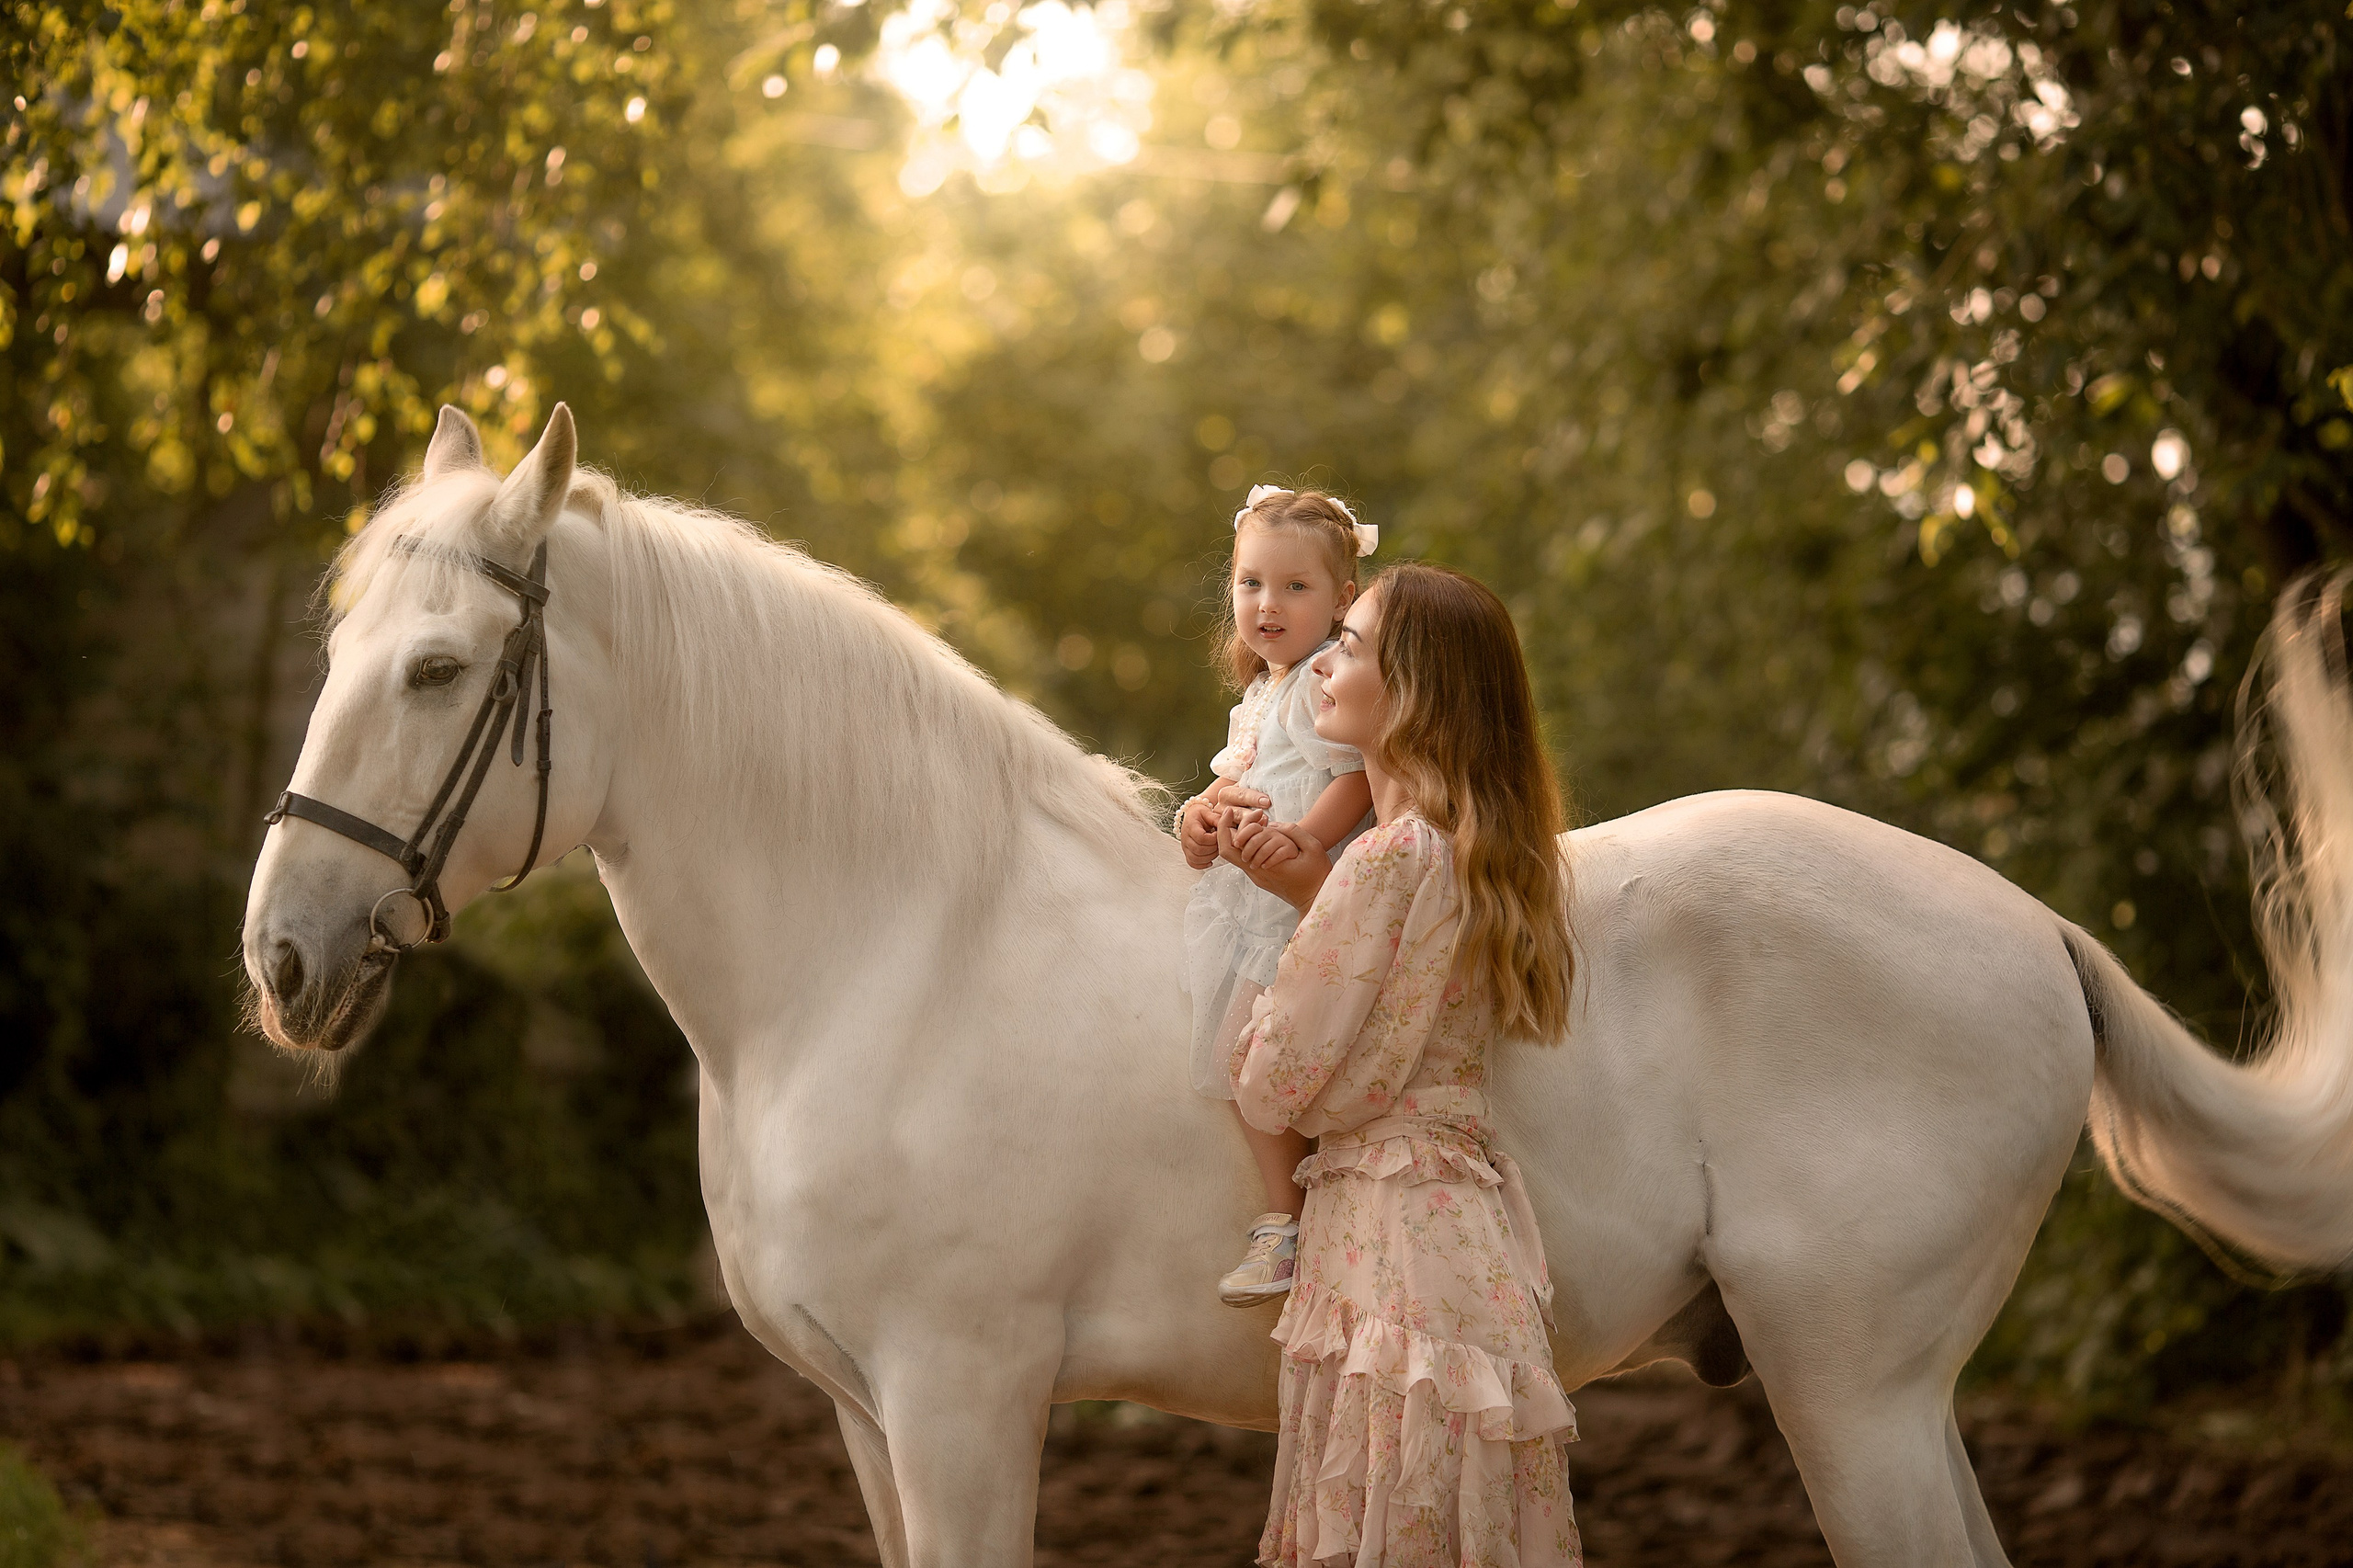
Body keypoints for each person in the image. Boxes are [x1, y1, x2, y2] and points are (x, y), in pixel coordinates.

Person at [1221, 562, 1583, 1567]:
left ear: (1412, 689)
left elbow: (1274, 1081)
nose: (1323, 659)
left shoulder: (1382, 859)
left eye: (1353, 643)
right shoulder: (1464, 851)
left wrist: (1265, 997)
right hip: (1465, 1261)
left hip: (1388, 1268)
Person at [1176, 485, 1380, 1307]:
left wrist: (1307, 838)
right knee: (1240, 1047)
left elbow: (1356, 777)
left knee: (1246, 1051)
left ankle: (1283, 1223)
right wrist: (1200, 821)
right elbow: (1238, 789)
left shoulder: (1323, 682)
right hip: (1255, 897)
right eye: (1251, 583)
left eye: (1296, 587)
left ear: (1342, 601)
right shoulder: (1261, 694)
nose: (1268, 604)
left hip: (1300, 900)